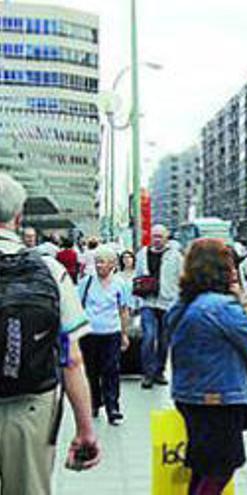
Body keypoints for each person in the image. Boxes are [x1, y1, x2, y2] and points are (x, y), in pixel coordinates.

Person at [0, 173, 100, 493]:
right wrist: (85, 429)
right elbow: (71, 359)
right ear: (18, 217)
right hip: (30, 406)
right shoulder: (50, 271)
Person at [166, 238, 247, 495]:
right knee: (221, 468)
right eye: (230, 264)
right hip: (218, 400)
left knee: (203, 467)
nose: (234, 270)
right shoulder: (221, 306)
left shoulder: (182, 304)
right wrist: (243, 301)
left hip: (188, 396)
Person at [77, 245, 131, 425]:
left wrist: (124, 334)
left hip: (111, 332)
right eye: (97, 262)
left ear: (113, 264)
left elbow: (123, 310)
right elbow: (78, 307)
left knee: (111, 370)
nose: (100, 266)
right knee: (91, 370)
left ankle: (112, 407)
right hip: (90, 333)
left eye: (103, 262)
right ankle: (94, 402)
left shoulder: (120, 284)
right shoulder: (87, 282)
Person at [135, 224, 183, 388]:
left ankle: (159, 371)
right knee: (148, 337)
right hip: (147, 302)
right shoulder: (142, 254)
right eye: (154, 236)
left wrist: (179, 301)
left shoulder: (175, 256)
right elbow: (137, 277)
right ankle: (147, 374)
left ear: (166, 237)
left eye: (159, 236)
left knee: (164, 340)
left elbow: (181, 279)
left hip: (167, 303)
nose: (156, 239)